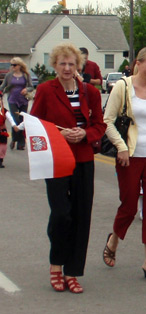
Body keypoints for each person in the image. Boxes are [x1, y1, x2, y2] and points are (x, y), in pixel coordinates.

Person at [30, 42, 106, 293]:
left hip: (83, 158)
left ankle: (73, 272)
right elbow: (36, 124)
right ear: (54, 65)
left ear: (78, 66)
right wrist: (59, 135)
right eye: (62, 63)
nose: (66, 67)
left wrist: (84, 134)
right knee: (62, 213)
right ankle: (56, 265)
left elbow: (99, 125)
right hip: (56, 159)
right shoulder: (45, 90)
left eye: (71, 63)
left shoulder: (89, 92)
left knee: (82, 215)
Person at [102, 47, 146, 283]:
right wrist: (121, 147)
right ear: (137, 64)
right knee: (129, 206)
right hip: (129, 156)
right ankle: (114, 240)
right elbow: (107, 121)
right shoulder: (123, 86)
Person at [0, 57, 34, 150]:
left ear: (19, 66)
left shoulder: (26, 75)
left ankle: (21, 143)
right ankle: (15, 139)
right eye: (11, 65)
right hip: (12, 100)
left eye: (14, 65)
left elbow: (31, 87)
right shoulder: (9, 75)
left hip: (23, 100)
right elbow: (3, 86)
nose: (12, 67)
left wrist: (26, 89)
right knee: (15, 120)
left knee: (22, 121)